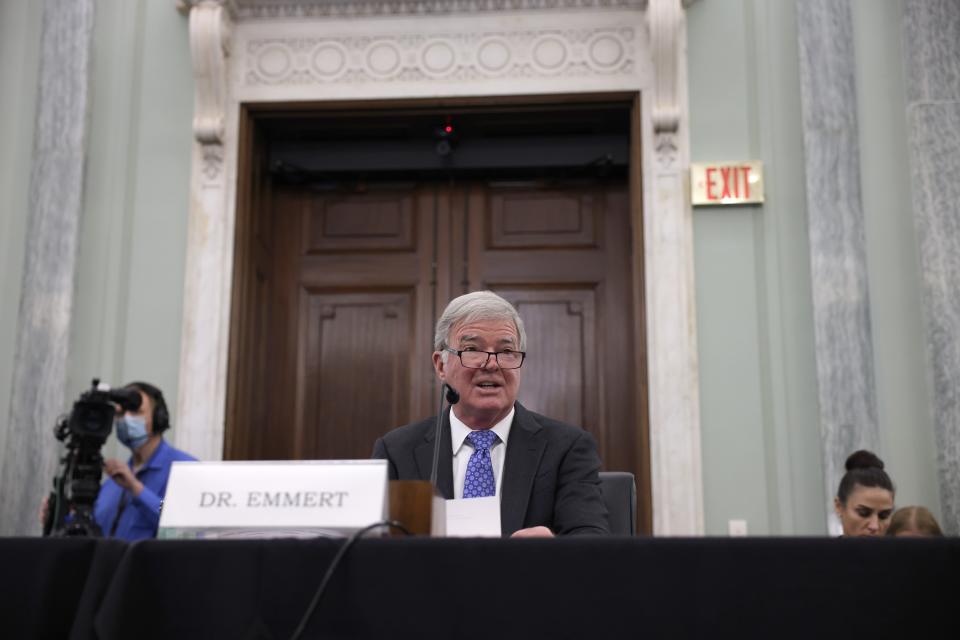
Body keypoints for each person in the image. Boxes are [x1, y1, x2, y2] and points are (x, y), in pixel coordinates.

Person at [372, 290, 609, 537]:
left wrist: (552, 551)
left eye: (506, 352)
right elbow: (375, 546)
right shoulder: (397, 451)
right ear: (441, 365)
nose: (492, 364)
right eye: (472, 349)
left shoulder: (566, 447)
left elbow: (591, 539)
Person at [42, 381, 196, 540]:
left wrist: (137, 489)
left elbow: (183, 524)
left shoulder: (185, 468)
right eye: (120, 414)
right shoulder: (112, 483)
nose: (126, 418)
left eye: (135, 411)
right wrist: (58, 519)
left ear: (159, 418)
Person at [833, 449, 895, 537]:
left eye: (883, 516)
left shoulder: (901, 551)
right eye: (863, 513)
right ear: (839, 506)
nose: (874, 526)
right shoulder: (819, 551)